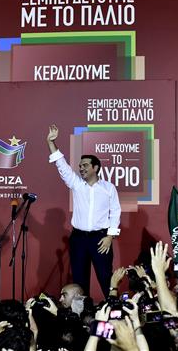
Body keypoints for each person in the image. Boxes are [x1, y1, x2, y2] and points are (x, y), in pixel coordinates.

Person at [46, 124, 122, 297]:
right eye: (80, 166)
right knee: (79, 280)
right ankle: (82, 317)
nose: (81, 168)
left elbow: (116, 212)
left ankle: (113, 312)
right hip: (78, 238)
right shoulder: (77, 185)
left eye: (85, 165)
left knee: (105, 277)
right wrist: (51, 142)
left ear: (95, 168)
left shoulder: (108, 188)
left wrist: (110, 236)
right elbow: (62, 165)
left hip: (100, 239)